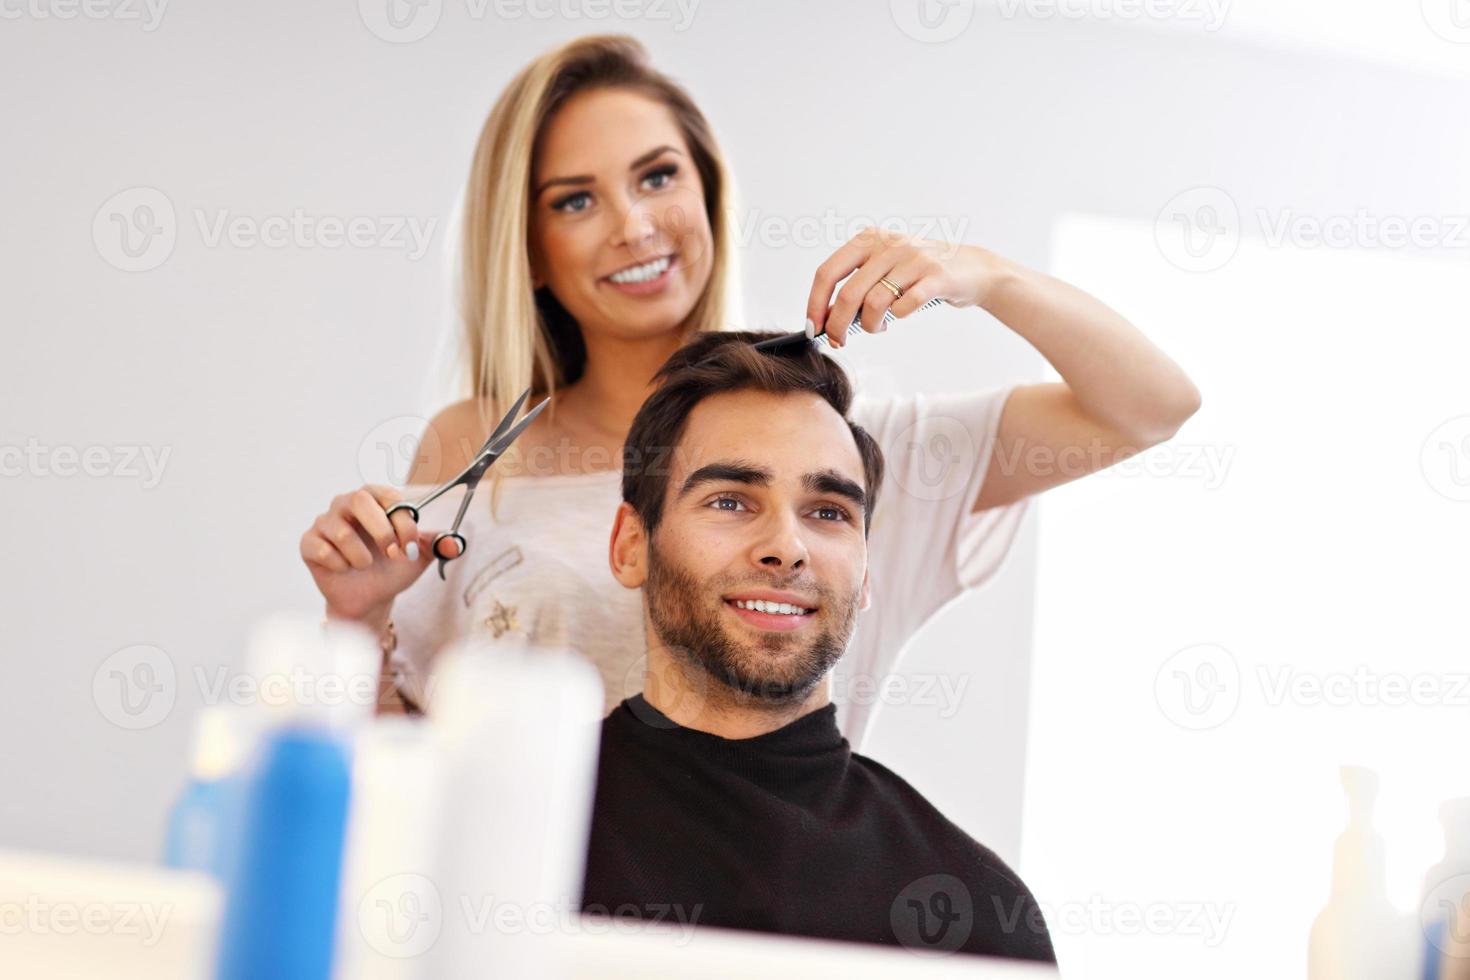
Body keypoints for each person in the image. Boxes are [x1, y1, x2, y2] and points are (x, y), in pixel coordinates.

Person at [299, 34, 1200, 749]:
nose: (634, 225)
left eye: (658, 176)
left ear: (708, 189)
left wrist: (985, 274)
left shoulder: (841, 451)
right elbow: (402, 763)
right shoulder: (473, 448)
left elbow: (1151, 405)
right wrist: (359, 611)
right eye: (576, 201)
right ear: (528, 247)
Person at [579, 330, 1055, 963]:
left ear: (866, 574)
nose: (787, 546)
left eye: (828, 512)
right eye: (730, 501)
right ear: (631, 546)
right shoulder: (517, 827)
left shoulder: (976, 916)